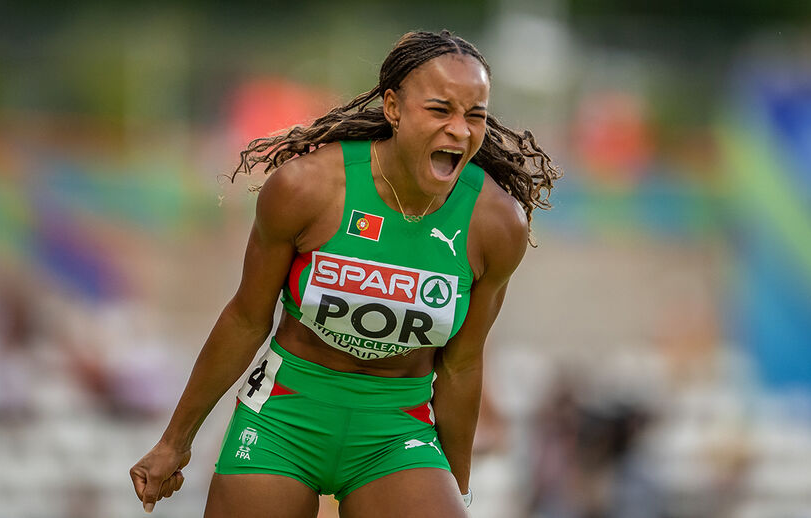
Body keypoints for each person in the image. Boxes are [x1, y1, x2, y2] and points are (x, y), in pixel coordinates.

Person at [130, 30, 559, 517]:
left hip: (396, 431)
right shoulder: (307, 188)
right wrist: (174, 442)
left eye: (474, 115)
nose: (459, 131)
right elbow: (246, 319)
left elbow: (461, 365)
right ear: (393, 108)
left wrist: (456, 488)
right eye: (440, 110)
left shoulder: (496, 223)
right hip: (283, 418)